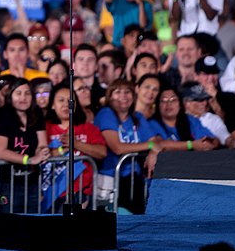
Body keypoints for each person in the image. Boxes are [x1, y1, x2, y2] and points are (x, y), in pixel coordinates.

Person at [94, 79, 160, 214]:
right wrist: (150, 145)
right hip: (110, 181)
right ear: (109, 96)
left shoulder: (137, 117)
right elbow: (117, 148)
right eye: (117, 92)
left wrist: (153, 152)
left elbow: (157, 142)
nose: (123, 96)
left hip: (134, 181)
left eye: (127, 92)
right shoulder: (106, 113)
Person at [44, 84, 106, 210]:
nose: (66, 104)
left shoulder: (88, 128)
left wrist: (76, 144)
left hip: (80, 193)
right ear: (52, 104)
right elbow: (38, 154)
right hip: (49, 194)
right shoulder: (44, 129)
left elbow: (102, 152)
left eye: (70, 100)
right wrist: (61, 150)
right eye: (61, 100)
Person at [0, 78, 50, 213]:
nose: (23, 98)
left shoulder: (37, 114)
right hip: (7, 182)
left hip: (32, 181)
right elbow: (0, 151)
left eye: (27, 93)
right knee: (9, 227)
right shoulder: (3, 114)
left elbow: (42, 143)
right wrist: (29, 159)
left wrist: (43, 152)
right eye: (18, 93)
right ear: (10, 95)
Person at [149, 86, 218, 153]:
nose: (169, 104)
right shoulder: (152, 124)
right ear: (158, 105)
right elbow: (159, 145)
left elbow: (212, 139)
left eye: (173, 100)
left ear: (180, 105)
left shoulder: (190, 120)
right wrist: (191, 145)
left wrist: (208, 144)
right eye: (164, 100)